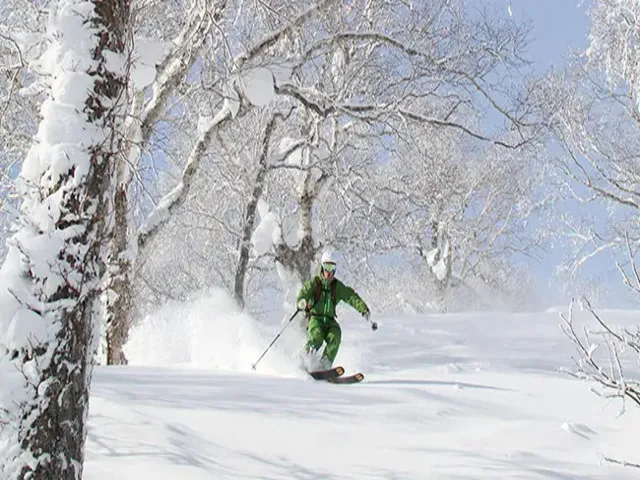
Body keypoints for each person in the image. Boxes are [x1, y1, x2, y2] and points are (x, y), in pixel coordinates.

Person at [296, 251, 377, 370]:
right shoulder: (315, 283)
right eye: (326, 267)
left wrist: (363, 309)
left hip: (329, 320)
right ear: (322, 267)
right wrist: (302, 301)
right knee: (317, 336)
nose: (329, 272)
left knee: (336, 335)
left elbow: (351, 296)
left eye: (332, 268)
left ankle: (324, 365)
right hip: (315, 318)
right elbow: (304, 292)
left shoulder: (336, 286)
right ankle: (305, 360)